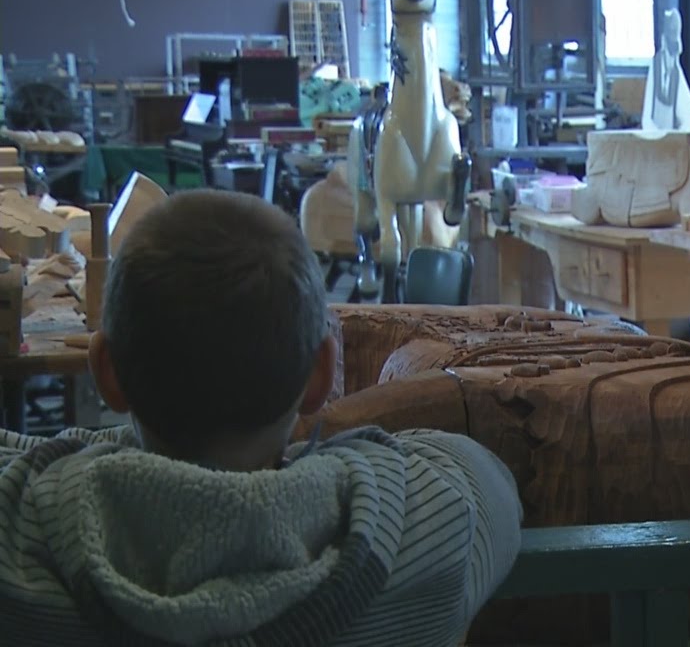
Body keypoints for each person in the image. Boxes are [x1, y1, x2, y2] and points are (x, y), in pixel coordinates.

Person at [0, 190, 522, 646]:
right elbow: (481, 472)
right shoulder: (427, 534)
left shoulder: (22, 547)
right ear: (322, 374)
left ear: (105, 373)